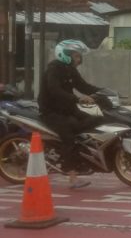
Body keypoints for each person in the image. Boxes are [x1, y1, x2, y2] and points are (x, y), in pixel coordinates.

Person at [38, 39, 103, 189]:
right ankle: (72, 176)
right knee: (69, 136)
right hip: (52, 112)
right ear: (65, 55)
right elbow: (55, 90)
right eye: (76, 56)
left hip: (68, 109)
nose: (79, 59)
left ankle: (82, 158)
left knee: (96, 120)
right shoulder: (54, 69)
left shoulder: (70, 69)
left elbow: (83, 86)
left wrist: (104, 92)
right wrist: (78, 98)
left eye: (79, 56)